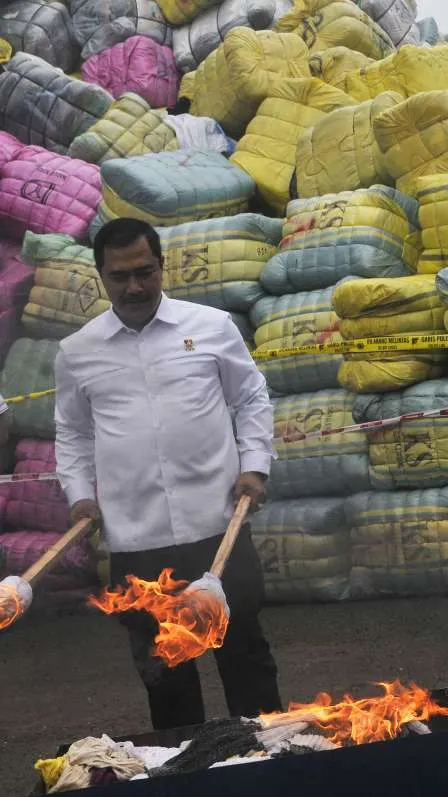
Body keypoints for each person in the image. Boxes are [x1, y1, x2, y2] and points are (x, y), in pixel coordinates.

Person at [55, 218, 282, 731]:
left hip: (217, 526)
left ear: (162, 267)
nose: (134, 286)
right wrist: (78, 496)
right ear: (101, 276)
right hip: (138, 542)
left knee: (245, 657)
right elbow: (72, 434)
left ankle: (273, 765)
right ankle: (186, 775)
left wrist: (254, 468)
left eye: (144, 272)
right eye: (120, 277)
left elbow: (250, 399)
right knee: (165, 672)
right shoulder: (77, 351)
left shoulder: (212, 326)